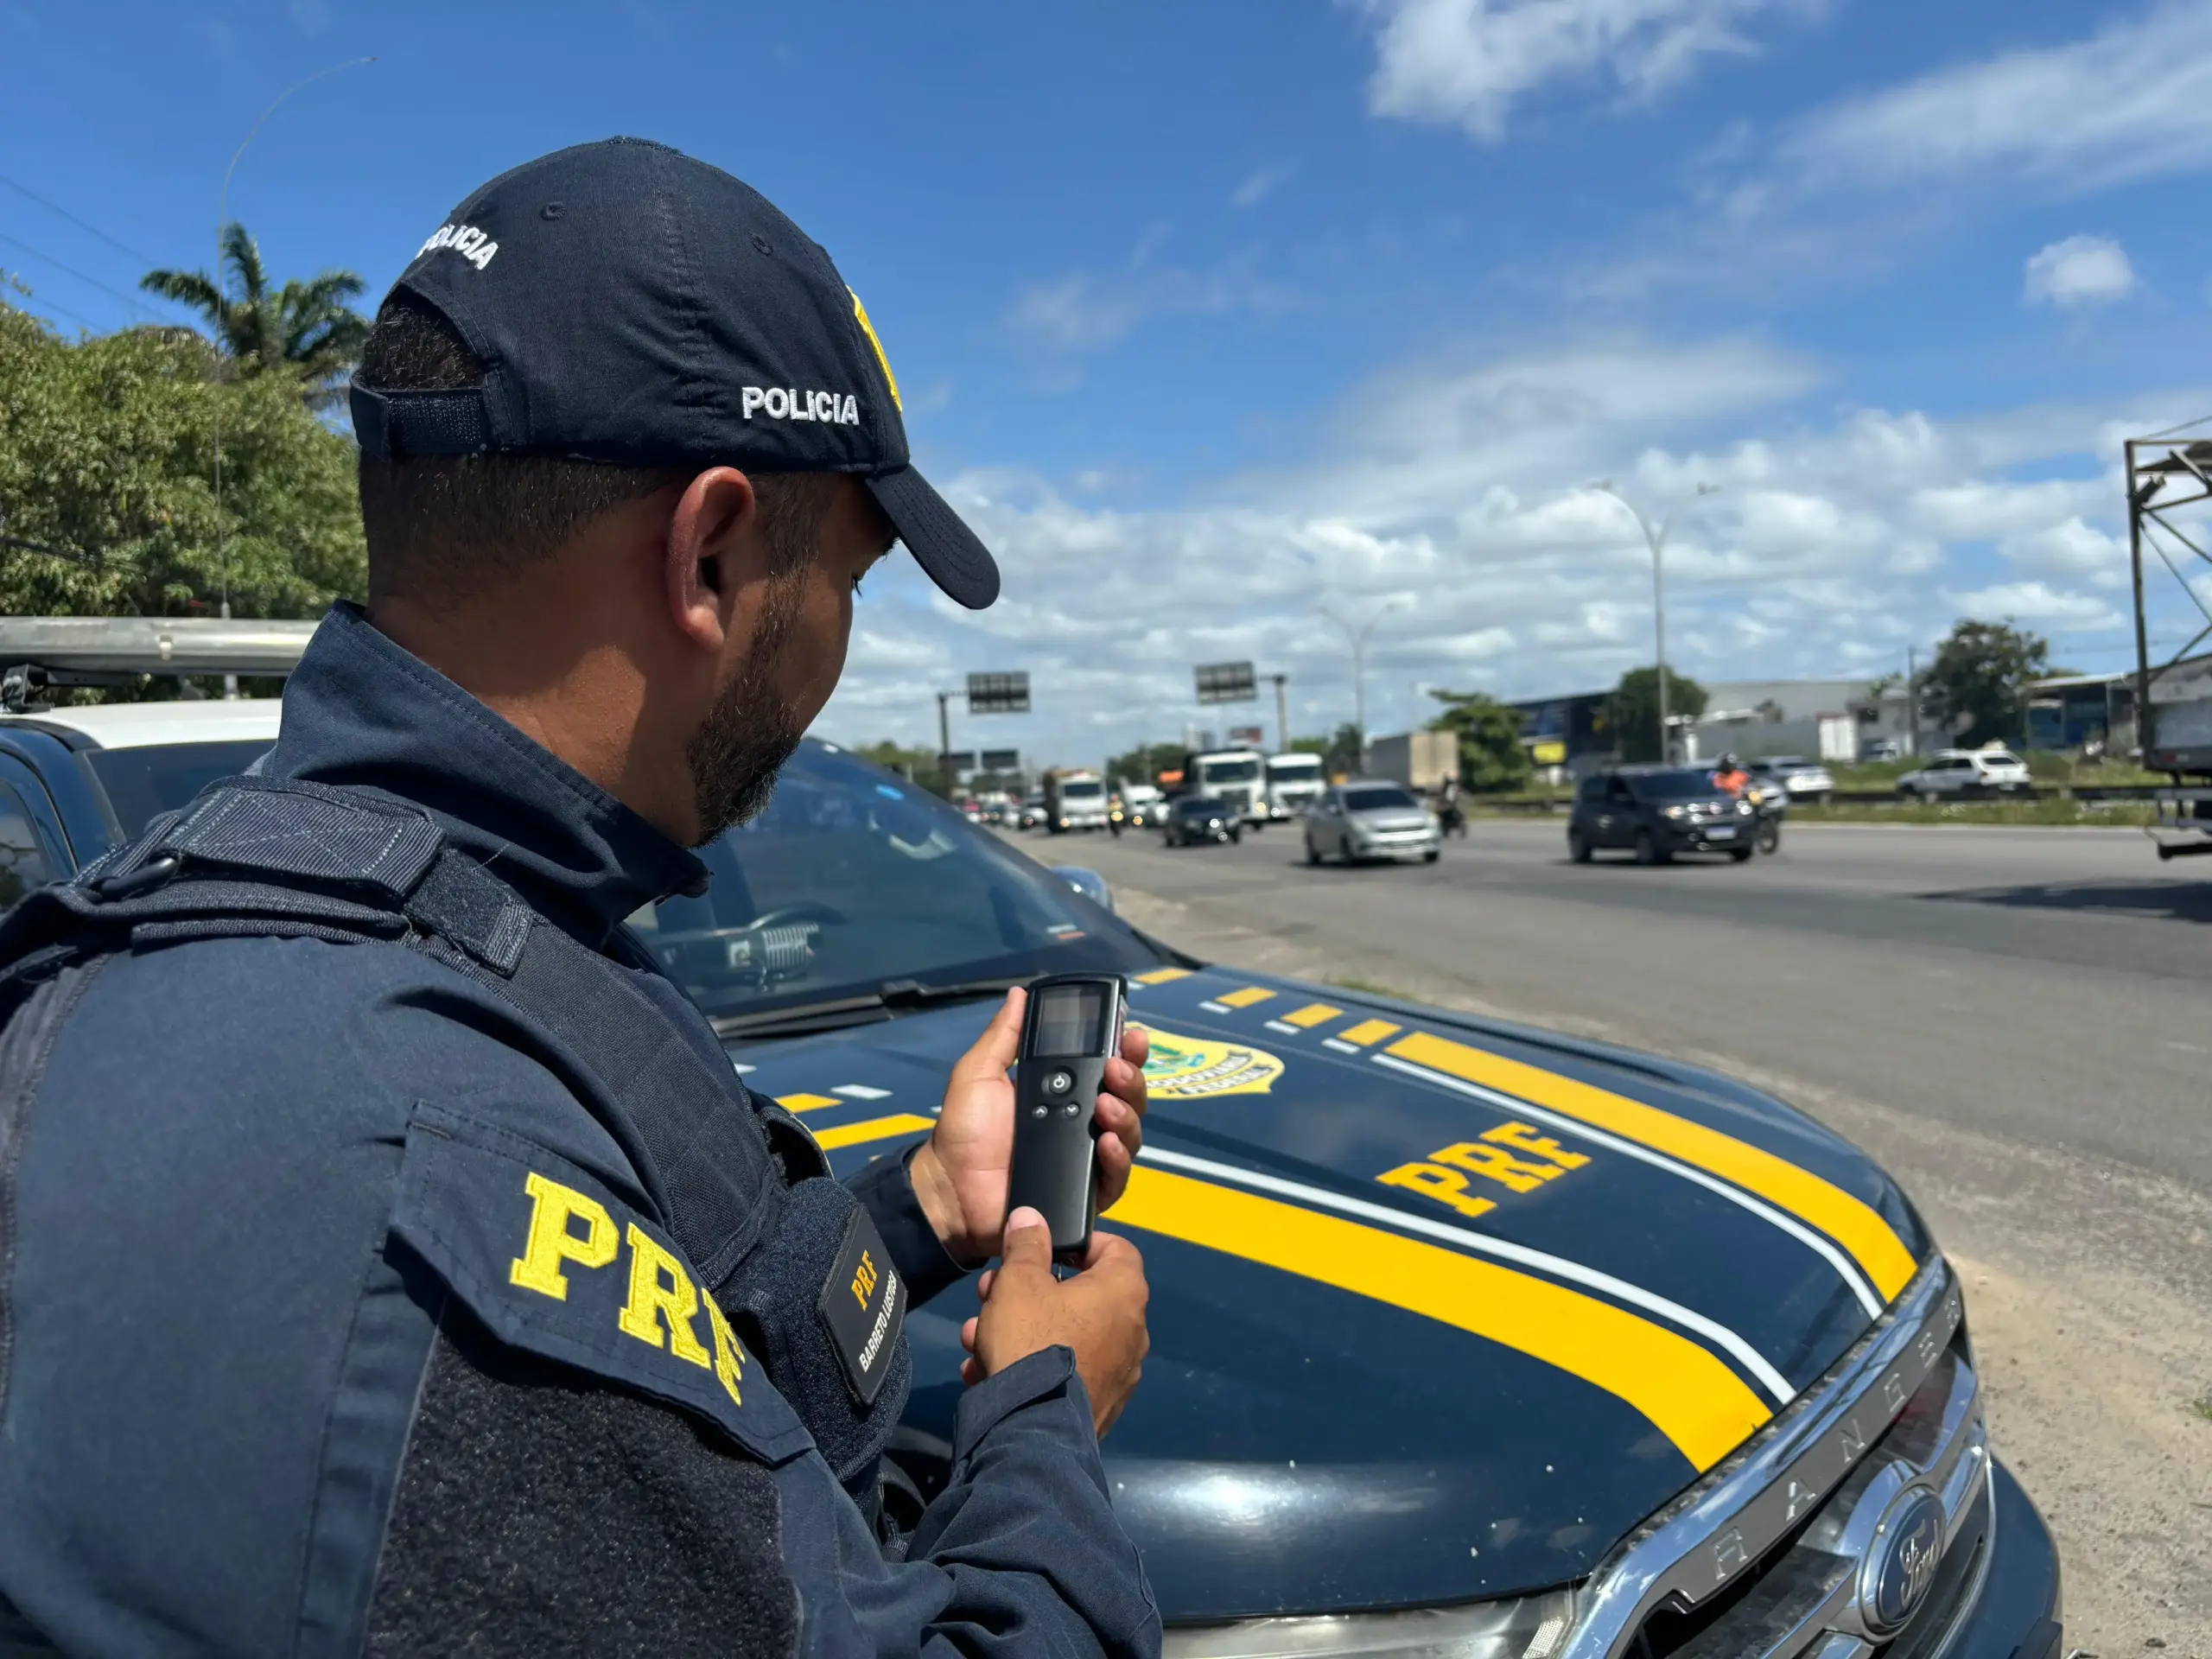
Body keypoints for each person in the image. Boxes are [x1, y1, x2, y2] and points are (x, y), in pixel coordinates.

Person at [0, 139, 1160, 1657]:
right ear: (714, 553)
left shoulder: (392, 934)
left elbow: (672, 1396)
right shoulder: (441, 1157)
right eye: (853, 586)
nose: (837, 653)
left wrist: (933, 1209)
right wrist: (1042, 1425)